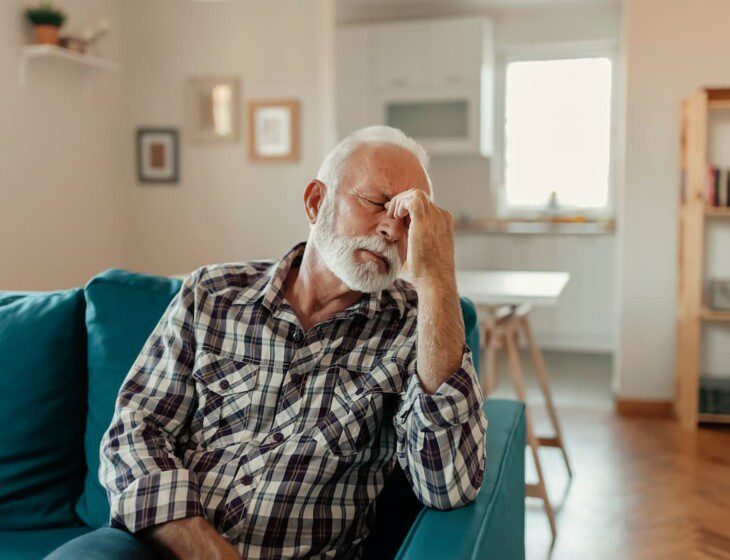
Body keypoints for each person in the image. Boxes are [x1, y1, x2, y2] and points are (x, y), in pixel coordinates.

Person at [46, 125, 487, 560]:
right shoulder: (213, 292)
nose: (392, 230)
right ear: (317, 202)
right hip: (155, 546)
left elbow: (448, 485)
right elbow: (134, 434)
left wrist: (437, 279)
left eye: (410, 220)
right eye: (376, 203)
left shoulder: (415, 328)